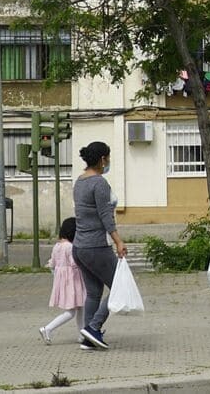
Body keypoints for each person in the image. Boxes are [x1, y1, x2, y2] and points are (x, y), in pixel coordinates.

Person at [73, 141, 128, 351]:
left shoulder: (80, 181)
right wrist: (118, 241)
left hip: (79, 247)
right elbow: (106, 217)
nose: (109, 162)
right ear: (103, 159)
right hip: (96, 246)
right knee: (119, 288)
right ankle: (94, 328)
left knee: (94, 292)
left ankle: (87, 336)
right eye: (109, 157)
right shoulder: (99, 183)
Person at [39, 217, 85, 345]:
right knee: (71, 312)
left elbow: (52, 263)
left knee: (81, 307)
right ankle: (47, 328)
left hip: (64, 283)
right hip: (73, 282)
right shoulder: (70, 247)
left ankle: (83, 334)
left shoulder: (57, 246)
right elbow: (74, 263)